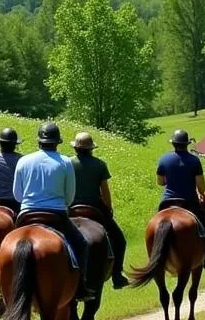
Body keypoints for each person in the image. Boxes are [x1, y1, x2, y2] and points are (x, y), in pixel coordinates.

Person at [12, 122, 92, 293]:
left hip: (26, 215)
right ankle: (80, 287)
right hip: (56, 216)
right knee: (81, 244)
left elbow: (17, 195)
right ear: (57, 142)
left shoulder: (23, 161)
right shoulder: (65, 162)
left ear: (38, 141)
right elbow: (69, 197)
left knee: (7, 246)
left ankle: (4, 293)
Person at [69, 131, 129, 289]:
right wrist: (108, 209)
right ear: (91, 149)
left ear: (75, 148)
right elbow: (105, 191)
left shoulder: (67, 164)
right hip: (95, 208)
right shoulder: (100, 164)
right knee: (120, 240)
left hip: (71, 209)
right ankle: (117, 275)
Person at [155, 130, 205, 269]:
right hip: (188, 202)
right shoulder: (194, 160)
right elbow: (201, 187)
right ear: (187, 144)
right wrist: (200, 192)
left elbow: (160, 182)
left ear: (173, 144)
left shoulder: (163, 159)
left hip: (167, 202)